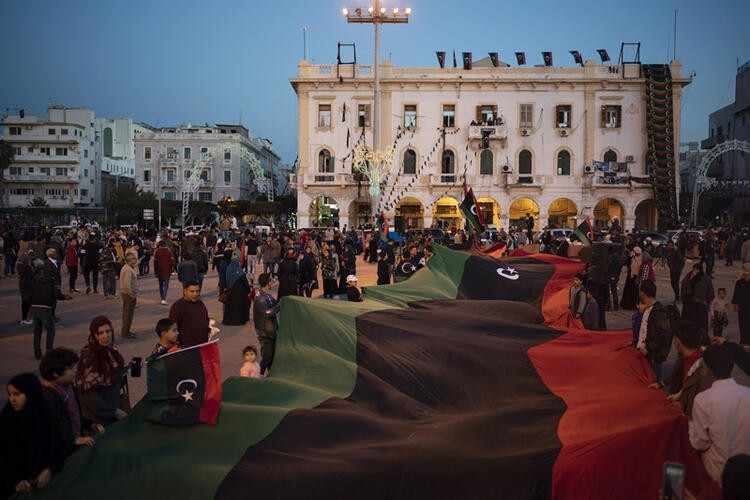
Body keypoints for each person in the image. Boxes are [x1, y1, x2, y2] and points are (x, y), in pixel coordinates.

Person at [689, 345, 750, 483]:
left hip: (717, 470)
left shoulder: (703, 400)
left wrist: (690, 424)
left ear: (708, 370)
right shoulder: (747, 394)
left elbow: (699, 443)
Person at [0, 373, 65, 496]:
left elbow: (58, 447)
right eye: (10, 395)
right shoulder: (6, 420)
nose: (12, 399)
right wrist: (15, 481)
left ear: (31, 394)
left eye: (17, 394)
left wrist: (50, 469)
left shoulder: (44, 414)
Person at [40, 348, 106, 457]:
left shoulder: (69, 388)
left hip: (74, 448)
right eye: (70, 368)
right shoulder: (49, 396)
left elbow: (74, 417)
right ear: (56, 373)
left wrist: (90, 425)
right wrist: (73, 440)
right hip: (62, 454)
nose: (75, 371)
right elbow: (51, 431)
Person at [76, 316, 128, 426]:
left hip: (112, 405)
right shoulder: (90, 356)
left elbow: (114, 373)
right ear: (94, 335)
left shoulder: (111, 349)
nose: (105, 336)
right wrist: (113, 411)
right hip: (99, 415)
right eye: (100, 333)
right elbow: (88, 393)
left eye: (108, 331)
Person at [664, 322, 714, 417]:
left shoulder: (703, 367)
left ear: (677, 342)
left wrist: (685, 409)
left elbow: (700, 399)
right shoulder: (688, 357)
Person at [635, 280, 673, 381]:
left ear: (642, 292)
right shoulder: (648, 310)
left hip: (653, 357)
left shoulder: (658, 312)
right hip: (646, 354)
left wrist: (648, 348)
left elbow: (662, 335)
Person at [169, 280, 211, 348]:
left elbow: (206, 319)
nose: (195, 294)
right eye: (192, 291)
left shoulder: (200, 303)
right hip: (187, 346)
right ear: (185, 291)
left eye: (197, 291)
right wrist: (177, 344)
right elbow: (172, 327)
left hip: (202, 344)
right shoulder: (178, 306)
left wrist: (209, 329)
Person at [253, 273, 280, 375]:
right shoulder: (260, 298)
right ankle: (257, 374)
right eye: (270, 280)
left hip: (270, 332)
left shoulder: (267, 296)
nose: (272, 282)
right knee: (267, 358)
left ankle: (270, 377)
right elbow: (268, 312)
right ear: (267, 282)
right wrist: (279, 306)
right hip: (265, 333)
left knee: (271, 358)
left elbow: (275, 303)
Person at [681, 263, 715, 333]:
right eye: (694, 269)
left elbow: (710, 292)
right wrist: (691, 278)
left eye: (697, 269)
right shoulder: (688, 277)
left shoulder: (706, 279)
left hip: (701, 305)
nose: (695, 271)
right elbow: (684, 288)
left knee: (700, 326)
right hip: (689, 305)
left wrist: (708, 301)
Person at [222, 258, 252, 326]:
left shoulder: (228, 270)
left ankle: (229, 321)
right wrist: (248, 290)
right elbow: (245, 283)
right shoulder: (240, 272)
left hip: (231, 292)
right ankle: (240, 320)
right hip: (240, 294)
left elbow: (226, 280)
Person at [119, 252, 139, 339]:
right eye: (134, 259)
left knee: (128, 314)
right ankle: (125, 332)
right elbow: (126, 285)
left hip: (128, 294)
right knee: (128, 314)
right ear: (130, 260)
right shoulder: (127, 269)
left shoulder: (128, 268)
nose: (136, 260)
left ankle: (127, 330)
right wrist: (131, 295)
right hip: (128, 295)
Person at [731, 263, 750, 346]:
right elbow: (736, 294)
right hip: (742, 306)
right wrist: (735, 304)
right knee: (742, 323)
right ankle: (744, 339)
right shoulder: (739, 282)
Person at [153, 240, 175, 305]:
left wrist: (155, 271)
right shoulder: (168, 252)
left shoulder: (157, 252)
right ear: (165, 245)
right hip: (167, 270)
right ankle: (164, 298)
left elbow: (155, 262)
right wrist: (172, 268)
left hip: (159, 270)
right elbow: (172, 262)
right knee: (166, 285)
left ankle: (162, 298)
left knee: (160, 285)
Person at [16, 251, 34, 325]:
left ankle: (24, 318)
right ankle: (27, 318)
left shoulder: (19, 266)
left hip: (22, 285)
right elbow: (32, 274)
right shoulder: (26, 267)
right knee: (28, 303)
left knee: (24, 303)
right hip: (27, 286)